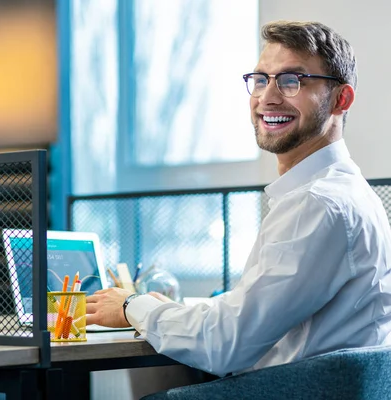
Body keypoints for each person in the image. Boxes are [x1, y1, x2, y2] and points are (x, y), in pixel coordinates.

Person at [86, 20, 391, 377]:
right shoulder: (342, 192)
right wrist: (163, 312)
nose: (268, 97)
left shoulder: (319, 203)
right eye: (261, 80)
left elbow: (226, 345)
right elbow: (248, 318)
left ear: (342, 99)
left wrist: (131, 305)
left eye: (292, 81)